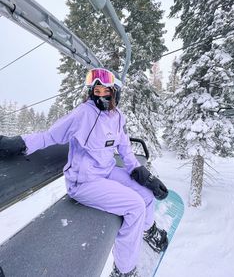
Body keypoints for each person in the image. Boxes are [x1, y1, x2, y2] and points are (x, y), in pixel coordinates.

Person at [0, 68, 168, 277]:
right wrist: (20, 143)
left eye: (105, 90)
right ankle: (124, 270)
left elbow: (124, 148)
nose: (100, 95)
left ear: (115, 92)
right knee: (135, 206)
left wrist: (141, 172)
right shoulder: (83, 114)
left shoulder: (117, 117)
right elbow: (49, 136)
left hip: (106, 172)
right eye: (96, 91)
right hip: (84, 182)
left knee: (146, 195)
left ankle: (148, 229)